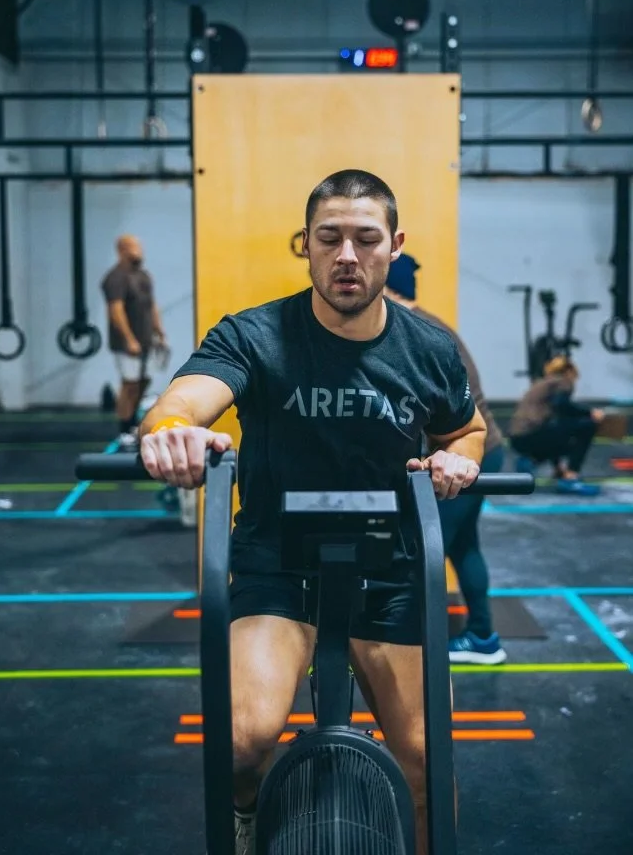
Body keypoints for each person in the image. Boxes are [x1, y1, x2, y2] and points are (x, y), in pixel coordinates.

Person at [139, 170, 487, 855]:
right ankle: (245, 818)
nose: (347, 256)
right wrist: (174, 432)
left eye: (366, 239)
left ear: (395, 246)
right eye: (329, 238)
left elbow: (465, 428)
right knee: (242, 742)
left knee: (426, 759)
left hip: (390, 570)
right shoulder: (254, 335)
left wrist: (458, 458)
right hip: (277, 566)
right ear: (305, 243)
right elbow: (179, 404)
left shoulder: (429, 348)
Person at [384, 253, 507, 665]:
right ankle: (484, 637)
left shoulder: (415, 332)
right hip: (486, 449)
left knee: (422, 552)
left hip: (470, 451)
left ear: (386, 285)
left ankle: (411, 648)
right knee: (464, 545)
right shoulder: (425, 323)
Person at [101, 234, 167, 446]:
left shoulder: (143, 275)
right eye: (132, 247)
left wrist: (159, 331)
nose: (138, 250)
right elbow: (116, 311)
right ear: (121, 250)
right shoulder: (115, 278)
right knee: (129, 384)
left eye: (139, 246)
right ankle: (123, 427)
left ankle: (133, 421)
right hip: (126, 344)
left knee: (143, 380)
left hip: (147, 339)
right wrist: (129, 339)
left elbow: (152, 305)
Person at [508, 355, 604, 494]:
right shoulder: (563, 381)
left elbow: (555, 423)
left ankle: (531, 460)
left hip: (518, 439)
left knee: (562, 430)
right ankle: (570, 478)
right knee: (587, 426)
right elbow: (562, 405)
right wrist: (590, 413)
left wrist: (557, 467)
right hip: (532, 434)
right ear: (569, 372)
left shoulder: (543, 383)